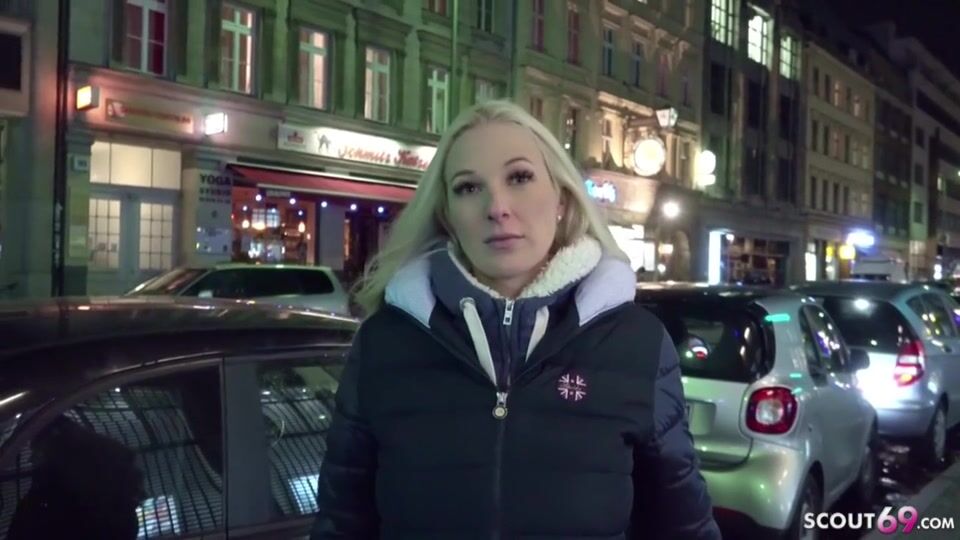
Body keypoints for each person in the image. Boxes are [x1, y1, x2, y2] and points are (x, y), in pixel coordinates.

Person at [310, 100, 721, 539]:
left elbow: (685, 527)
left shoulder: (636, 343)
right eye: (469, 187)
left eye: (520, 177)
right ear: (447, 214)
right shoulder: (385, 343)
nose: (497, 207)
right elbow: (342, 524)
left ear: (561, 197)